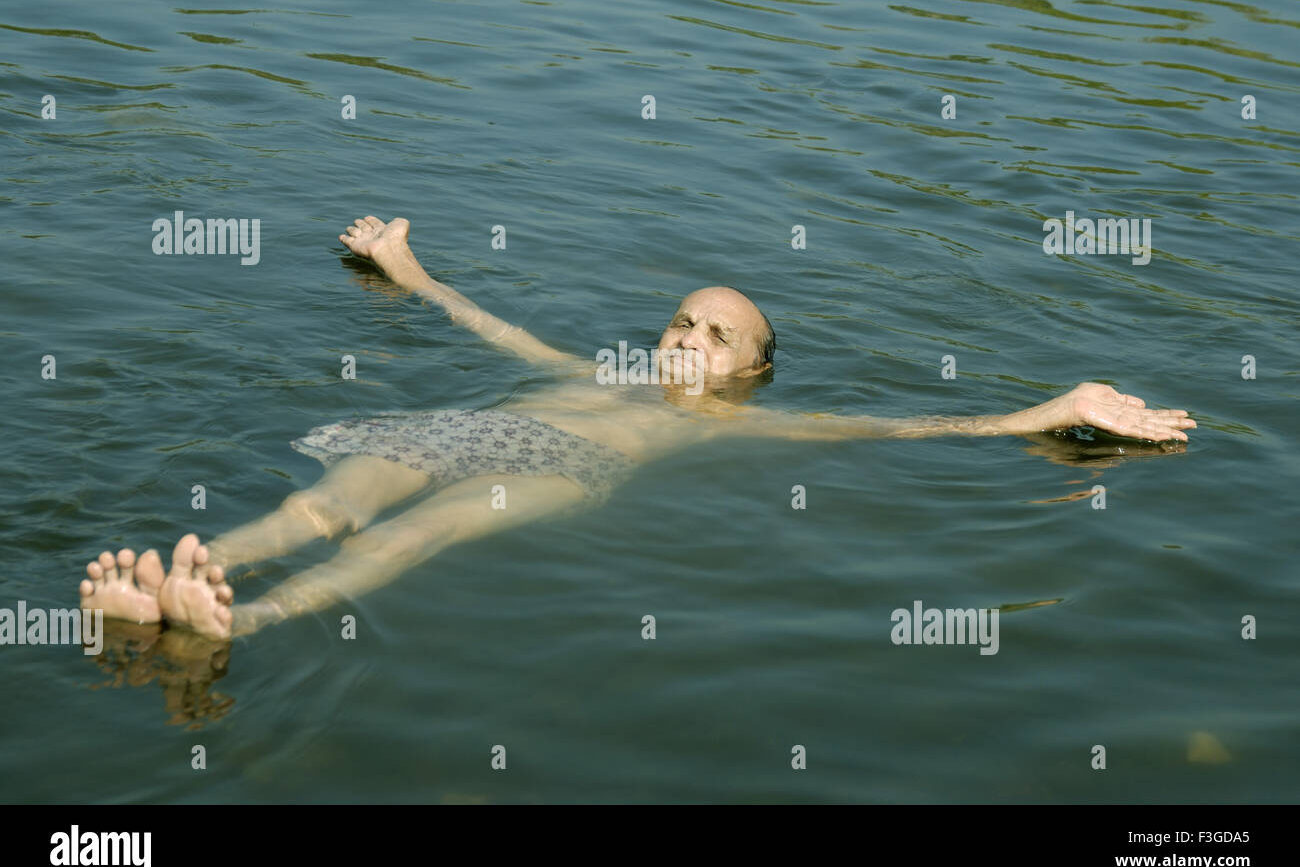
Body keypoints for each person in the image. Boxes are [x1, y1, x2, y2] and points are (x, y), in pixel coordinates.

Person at [79, 216, 1196, 639]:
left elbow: (897, 429)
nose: (687, 338)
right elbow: (489, 327)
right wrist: (405, 266)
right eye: (680, 318)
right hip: (463, 428)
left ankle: (246, 622)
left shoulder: (730, 423)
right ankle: (190, 579)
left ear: (746, 372)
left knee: (400, 541)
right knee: (319, 505)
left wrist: (1053, 412)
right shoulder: (596, 367)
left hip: (564, 466)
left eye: (715, 335)